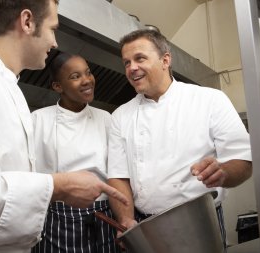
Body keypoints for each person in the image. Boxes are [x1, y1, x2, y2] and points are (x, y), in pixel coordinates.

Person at [0, 1, 127, 253]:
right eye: (52, 29)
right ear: (27, 22)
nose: (55, 43)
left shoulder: (6, 86)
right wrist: (59, 186)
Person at [107, 29, 252, 248]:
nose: (132, 68)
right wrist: (126, 219)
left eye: (140, 58)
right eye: (126, 62)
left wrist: (223, 173)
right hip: (146, 225)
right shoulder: (120, 116)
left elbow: (243, 161)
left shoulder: (209, 100)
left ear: (165, 60)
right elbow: (119, 176)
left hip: (202, 222)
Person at [31, 53, 121, 253]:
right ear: (57, 86)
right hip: (58, 217)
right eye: (75, 76)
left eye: (88, 73)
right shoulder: (38, 120)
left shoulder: (105, 118)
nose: (87, 80)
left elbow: (117, 171)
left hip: (103, 215)